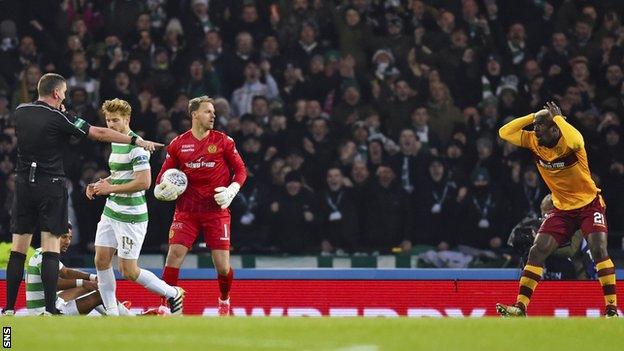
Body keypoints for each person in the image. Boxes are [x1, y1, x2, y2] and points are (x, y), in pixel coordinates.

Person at [4, 73, 162, 315]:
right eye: (64, 93)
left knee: (18, 251)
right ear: (57, 93)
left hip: (24, 184)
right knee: (50, 248)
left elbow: (42, 123)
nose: (65, 96)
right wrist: (135, 141)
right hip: (50, 185)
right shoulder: (60, 116)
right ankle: (49, 309)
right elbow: (98, 133)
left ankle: (8, 309)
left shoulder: (21, 110)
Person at [496, 101, 618, 317]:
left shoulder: (570, 144)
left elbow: (577, 141)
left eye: (540, 129)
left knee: (598, 250)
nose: (536, 134)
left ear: (555, 129)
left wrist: (559, 118)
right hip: (561, 209)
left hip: (589, 204)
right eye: (535, 129)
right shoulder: (535, 141)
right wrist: (534, 115)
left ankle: (610, 309)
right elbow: (505, 132)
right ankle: (520, 307)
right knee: (537, 251)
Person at [87, 99, 184, 316]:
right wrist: (101, 184)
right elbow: (121, 176)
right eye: (108, 120)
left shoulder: (137, 148)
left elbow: (144, 182)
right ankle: (112, 314)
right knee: (100, 259)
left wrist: (109, 189)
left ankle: (172, 293)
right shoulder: (116, 142)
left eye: (116, 120)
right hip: (111, 211)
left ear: (127, 120)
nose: (111, 125)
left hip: (131, 215)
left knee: (128, 271)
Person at [154, 96, 247, 316]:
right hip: (187, 211)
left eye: (213, 112)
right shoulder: (178, 144)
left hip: (216, 210)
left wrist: (231, 190)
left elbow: (241, 171)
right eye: (207, 111)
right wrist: (162, 190)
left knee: (222, 266)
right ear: (194, 114)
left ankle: (224, 301)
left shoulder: (224, 141)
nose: (213, 115)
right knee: (174, 255)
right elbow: (161, 179)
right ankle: (164, 305)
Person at [26, 222, 133, 316]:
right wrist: (82, 282)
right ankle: (128, 317)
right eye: (64, 237)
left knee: (90, 287)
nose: (68, 242)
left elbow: (66, 272)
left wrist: (92, 277)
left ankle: (112, 310)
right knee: (100, 295)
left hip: (52, 303)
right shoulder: (44, 257)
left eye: (70, 238)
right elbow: (53, 284)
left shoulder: (42, 252)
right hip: (47, 313)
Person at [508, 194, 596, 280]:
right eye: (543, 215)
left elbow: (571, 251)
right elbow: (511, 240)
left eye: (548, 215)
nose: (545, 219)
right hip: (553, 267)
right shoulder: (538, 224)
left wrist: (539, 245)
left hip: (576, 271)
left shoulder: (575, 225)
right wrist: (522, 235)